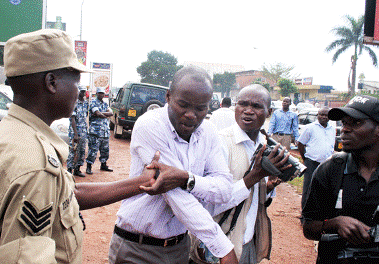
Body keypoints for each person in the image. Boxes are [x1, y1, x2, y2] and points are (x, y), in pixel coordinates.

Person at [0, 29, 189, 264]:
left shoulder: (13, 136)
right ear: (51, 82)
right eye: (76, 82)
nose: (79, 91)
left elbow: (70, 194)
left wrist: (142, 181)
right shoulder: (33, 163)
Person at [109, 66, 238, 264]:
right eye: (183, 105)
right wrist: (222, 247)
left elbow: (224, 190)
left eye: (200, 108)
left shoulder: (209, 132)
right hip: (138, 248)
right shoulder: (149, 126)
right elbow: (177, 197)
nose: (191, 115)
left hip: (179, 247)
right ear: (168, 97)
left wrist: (188, 179)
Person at [190, 84, 289, 264]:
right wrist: (255, 176)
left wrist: (268, 187)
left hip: (248, 242)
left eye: (256, 106)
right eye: (242, 104)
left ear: (269, 112)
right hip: (219, 245)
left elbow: (253, 202)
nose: (248, 111)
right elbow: (209, 203)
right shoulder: (220, 143)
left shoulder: (264, 145)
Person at [302, 95, 379, 263]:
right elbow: (308, 228)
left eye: (356, 123)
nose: (344, 129)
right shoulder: (330, 170)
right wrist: (335, 224)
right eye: (344, 123)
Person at [297, 107, 336, 209]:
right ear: (317, 116)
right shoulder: (310, 128)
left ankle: (318, 214)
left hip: (326, 164)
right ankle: (305, 215)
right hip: (311, 162)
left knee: (323, 189)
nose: (323, 117)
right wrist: (305, 159)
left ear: (329, 117)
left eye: (325, 115)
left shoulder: (332, 129)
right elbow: (300, 144)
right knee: (308, 188)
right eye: (321, 114)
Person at [86, 87, 113, 174]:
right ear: (97, 93)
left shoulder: (105, 104)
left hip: (104, 131)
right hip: (95, 131)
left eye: (103, 93)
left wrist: (102, 114)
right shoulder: (93, 102)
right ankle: (89, 167)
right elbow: (97, 113)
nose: (101, 95)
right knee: (93, 150)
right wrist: (102, 114)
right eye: (100, 93)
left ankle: (103, 165)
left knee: (105, 150)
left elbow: (111, 113)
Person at [66, 85, 89, 177]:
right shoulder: (74, 103)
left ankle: (77, 169)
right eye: (81, 91)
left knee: (82, 151)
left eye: (84, 91)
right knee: (73, 151)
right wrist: (75, 134)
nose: (83, 93)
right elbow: (72, 119)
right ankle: (69, 170)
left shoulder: (86, 103)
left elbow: (85, 115)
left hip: (83, 131)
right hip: (75, 132)